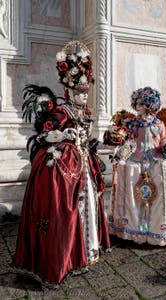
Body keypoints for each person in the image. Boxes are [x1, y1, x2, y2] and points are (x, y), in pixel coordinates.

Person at [13, 40, 110, 284]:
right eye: (79, 92)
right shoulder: (61, 112)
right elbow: (43, 136)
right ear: (68, 90)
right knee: (64, 210)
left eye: (86, 92)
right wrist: (62, 135)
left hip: (83, 165)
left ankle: (85, 252)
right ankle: (64, 258)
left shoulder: (84, 114)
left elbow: (85, 137)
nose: (83, 96)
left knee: (87, 203)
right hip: (62, 168)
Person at [104, 86, 166, 246]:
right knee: (129, 175)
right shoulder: (131, 123)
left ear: (149, 106)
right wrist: (122, 152)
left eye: (141, 104)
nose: (137, 107)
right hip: (136, 160)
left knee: (165, 178)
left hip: (154, 160)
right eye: (136, 104)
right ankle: (132, 229)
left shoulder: (158, 124)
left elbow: (163, 141)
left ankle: (158, 230)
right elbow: (128, 142)